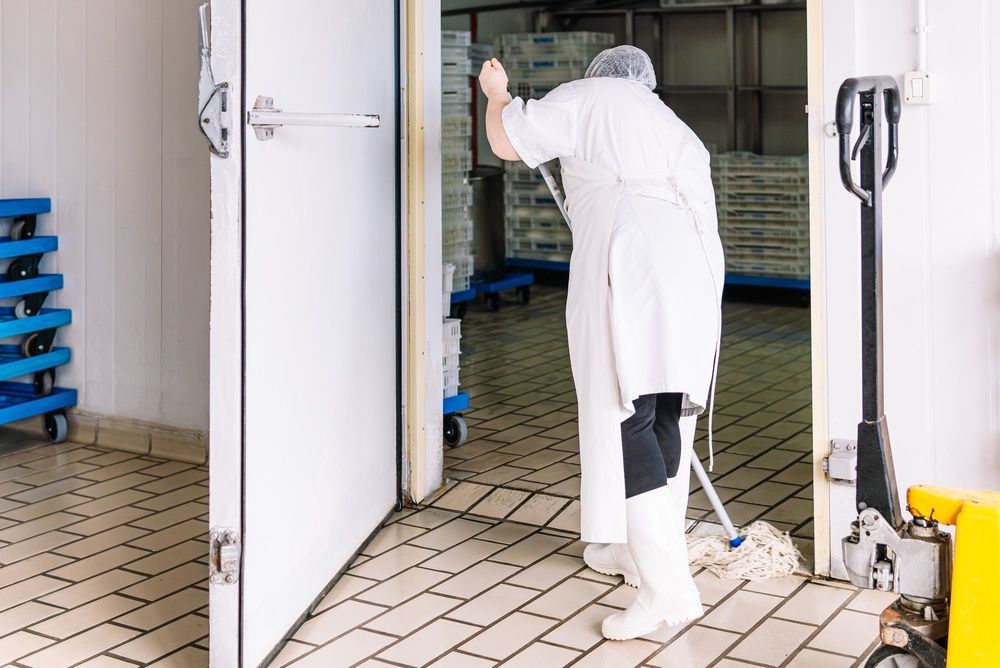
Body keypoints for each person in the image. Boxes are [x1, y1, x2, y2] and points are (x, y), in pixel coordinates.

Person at [478, 45, 724, 641]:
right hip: (695, 274)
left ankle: (666, 589)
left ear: (601, 74)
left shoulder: (593, 97)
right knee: (664, 410)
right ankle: (642, 553)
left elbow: (508, 142)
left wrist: (495, 96)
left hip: (634, 266)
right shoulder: (677, 129)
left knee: (628, 414)